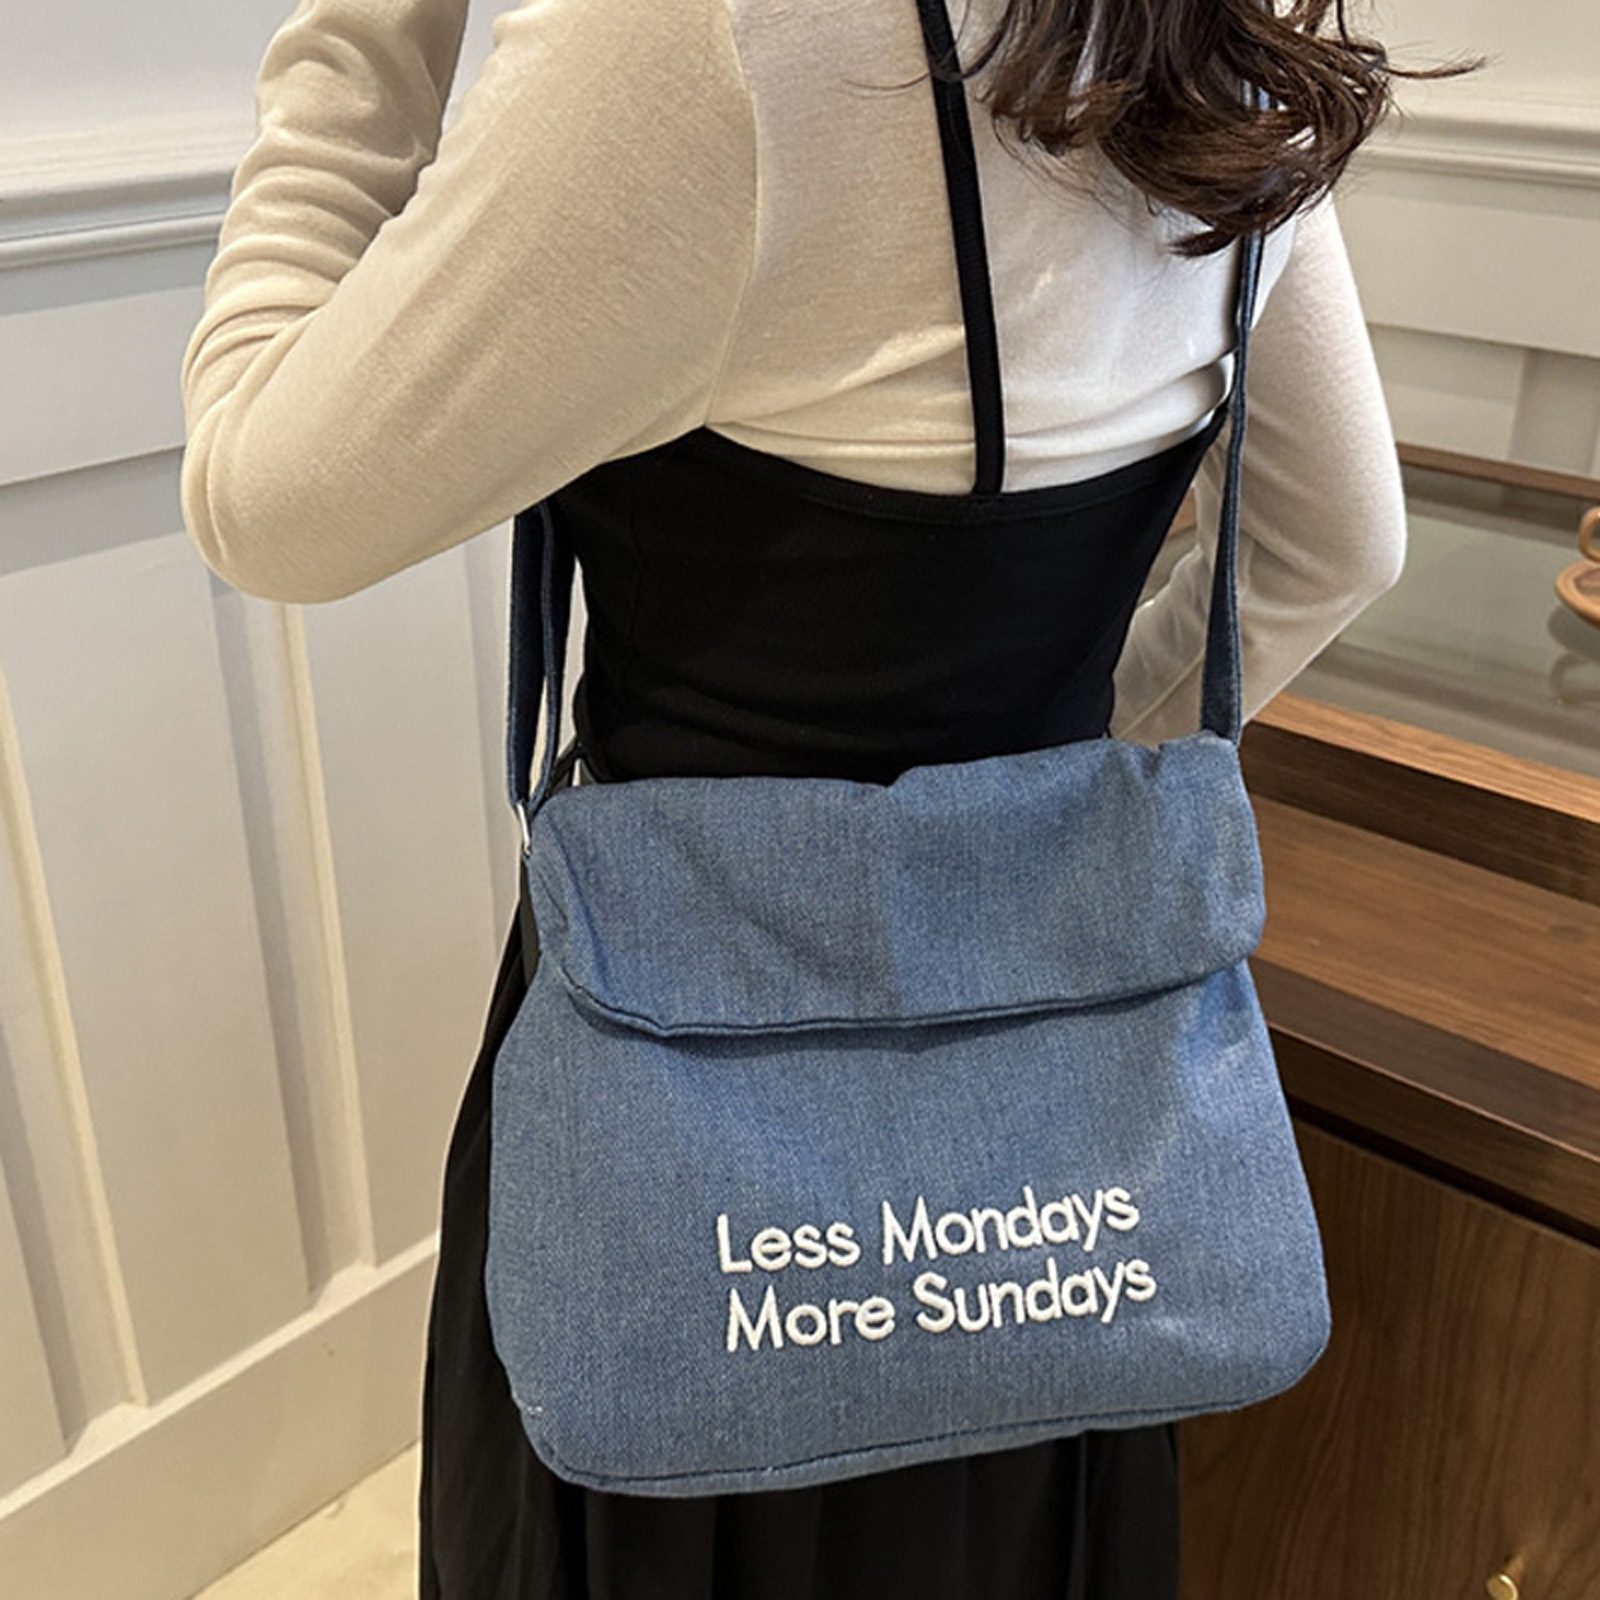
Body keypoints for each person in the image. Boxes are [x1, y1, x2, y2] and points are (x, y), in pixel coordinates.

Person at [181, 0, 1412, 1594]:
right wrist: (1026, 821)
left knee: (654, 1469)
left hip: (686, 1071)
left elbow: (261, 505)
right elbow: (1338, 543)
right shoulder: (1220, 34)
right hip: (1050, 1164)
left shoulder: (698, 44)